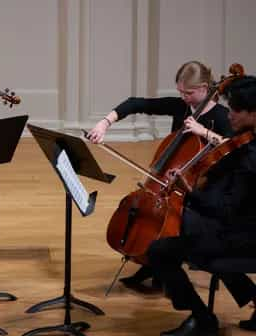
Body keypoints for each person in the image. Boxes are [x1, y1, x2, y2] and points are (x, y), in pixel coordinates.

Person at [87, 60, 233, 290]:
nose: (184, 97)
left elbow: (234, 147)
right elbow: (136, 104)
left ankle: (162, 263)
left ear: (206, 87)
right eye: (180, 92)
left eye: (189, 92)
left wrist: (203, 131)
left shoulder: (223, 116)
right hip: (170, 181)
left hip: (205, 187)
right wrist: (105, 123)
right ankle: (153, 262)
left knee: (178, 220)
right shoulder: (181, 108)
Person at [147, 75, 256, 336]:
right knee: (190, 229)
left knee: (160, 250)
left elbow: (224, 210)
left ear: (254, 113)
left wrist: (187, 191)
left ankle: (202, 318)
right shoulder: (246, 143)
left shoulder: (251, 159)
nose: (229, 115)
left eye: (236, 111)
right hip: (244, 225)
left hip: (245, 235)